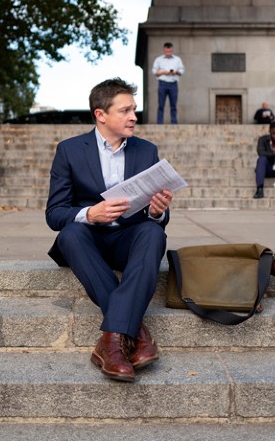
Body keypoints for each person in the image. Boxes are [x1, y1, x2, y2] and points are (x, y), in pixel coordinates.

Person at [45, 77, 173, 383]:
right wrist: (91, 213)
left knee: (154, 232)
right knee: (69, 234)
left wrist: (157, 212)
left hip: (128, 239)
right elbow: (54, 214)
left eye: (134, 110)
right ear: (100, 114)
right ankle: (136, 335)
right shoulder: (70, 151)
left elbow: (159, 216)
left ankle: (112, 343)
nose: (134, 117)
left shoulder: (146, 151)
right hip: (88, 240)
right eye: (125, 110)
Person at [151, 42, 184, 124]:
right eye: (167, 52)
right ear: (164, 50)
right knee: (161, 105)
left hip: (173, 84)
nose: (168, 53)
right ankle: (159, 123)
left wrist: (176, 72)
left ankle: (174, 123)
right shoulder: (158, 60)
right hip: (162, 83)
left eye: (170, 52)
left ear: (172, 50)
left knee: (173, 105)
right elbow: (154, 71)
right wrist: (164, 72)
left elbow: (182, 71)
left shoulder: (177, 59)